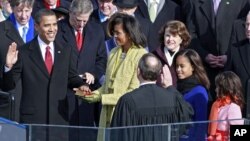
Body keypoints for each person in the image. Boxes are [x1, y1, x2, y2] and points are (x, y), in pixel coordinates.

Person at [2, 9, 89, 140]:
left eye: (54, 24)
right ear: (36, 27)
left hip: (59, 121)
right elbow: (8, 85)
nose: (52, 29)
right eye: (47, 25)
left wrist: (82, 85)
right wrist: (8, 66)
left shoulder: (65, 50)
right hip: (33, 122)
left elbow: (71, 77)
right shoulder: (24, 52)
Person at [76, 12, 147, 140]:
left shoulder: (140, 54)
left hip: (125, 117)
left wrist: (103, 98)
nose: (114, 36)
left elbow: (132, 93)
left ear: (130, 33)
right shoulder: (114, 52)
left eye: (118, 33)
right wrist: (86, 95)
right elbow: (106, 86)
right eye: (114, 32)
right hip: (106, 117)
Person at [110, 53, 194, 141]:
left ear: (138, 71)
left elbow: (116, 135)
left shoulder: (127, 101)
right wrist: (170, 87)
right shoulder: (172, 98)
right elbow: (187, 114)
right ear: (159, 73)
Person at [56, 0, 107, 131]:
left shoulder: (96, 30)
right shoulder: (57, 30)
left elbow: (101, 59)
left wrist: (94, 74)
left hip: (87, 95)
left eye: (85, 20)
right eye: (78, 20)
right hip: (64, 94)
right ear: (71, 13)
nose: (81, 24)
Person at [188, 0, 250, 101]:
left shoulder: (242, 2)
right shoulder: (195, 2)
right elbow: (191, 34)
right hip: (205, 71)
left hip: (233, 73)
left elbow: (245, 30)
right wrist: (205, 55)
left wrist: (229, 56)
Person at [0, 0, 36, 122]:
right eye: (20, 11)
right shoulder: (1, 30)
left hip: (35, 99)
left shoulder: (40, 29)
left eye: (27, 11)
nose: (24, 15)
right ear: (13, 8)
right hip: (10, 96)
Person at [174, 49, 210, 141]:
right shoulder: (177, 87)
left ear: (193, 67)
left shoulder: (199, 92)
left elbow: (201, 123)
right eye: (177, 66)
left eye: (182, 66)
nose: (178, 70)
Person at [225, 11, 250, 118]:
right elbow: (227, 79)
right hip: (240, 114)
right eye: (247, 24)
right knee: (239, 135)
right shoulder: (236, 49)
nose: (248, 29)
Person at [207, 71, 244, 141]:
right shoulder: (217, 105)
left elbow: (237, 131)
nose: (215, 89)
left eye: (218, 87)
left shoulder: (233, 107)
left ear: (226, 89)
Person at [153, 20, 191, 87]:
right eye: (167, 35)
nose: (170, 39)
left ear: (182, 38)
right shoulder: (153, 56)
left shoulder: (187, 57)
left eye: (174, 36)